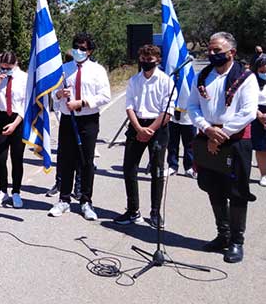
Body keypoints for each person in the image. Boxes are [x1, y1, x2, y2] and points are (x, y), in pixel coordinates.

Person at [187, 32, 258, 263]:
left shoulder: (246, 77)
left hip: (235, 140)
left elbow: (248, 112)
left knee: (236, 192)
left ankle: (237, 241)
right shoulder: (203, 75)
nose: (211, 54)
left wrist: (222, 134)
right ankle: (223, 234)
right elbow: (192, 106)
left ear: (231, 52)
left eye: (217, 50)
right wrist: (207, 129)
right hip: (208, 136)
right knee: (213, 187)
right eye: (209, 49)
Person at [48, 33, 111, 220]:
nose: (78, 51)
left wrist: (82, 102)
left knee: (86, 161)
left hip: (88, 120)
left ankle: (85, 200)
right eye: (76, 47)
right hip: (68, 120)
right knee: (66, 160)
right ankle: (64, 199)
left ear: (89, 51)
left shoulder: (97, 70)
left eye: (83, 48)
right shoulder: (64, 69)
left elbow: (105, 96)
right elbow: (53, 94)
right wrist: (59, 94)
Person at [113, 45, 175, 228]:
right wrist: (139, 128)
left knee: (157, 171)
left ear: (158, 60)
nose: (146, 62)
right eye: (143, 59)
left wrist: (150, 130)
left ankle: (155, 212)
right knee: (129, 168)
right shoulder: (134, 80)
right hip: (137, 125)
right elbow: (129, 106)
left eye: (149, 59)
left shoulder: (166, 81)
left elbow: (168, 111)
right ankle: (133, 210)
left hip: (158, 127)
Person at [0, 52, 28, 208]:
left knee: (17, 158)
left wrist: (15, 125)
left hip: (18, 119)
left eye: (8, 68)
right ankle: (2, 190)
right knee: (0, 157)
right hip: (2, 116)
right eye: (2, 68)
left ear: (15, 64)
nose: (5, 71)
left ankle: (16, 192)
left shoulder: (24, 78)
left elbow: (26, 105)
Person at [252, 54, 266, 187]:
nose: (264, 74)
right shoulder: (252, 82)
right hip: (257, 114)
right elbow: (248, 101)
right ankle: (264, 174)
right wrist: (259, 115)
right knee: (261, 147)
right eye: (262, 71)